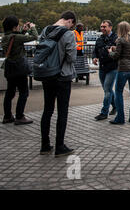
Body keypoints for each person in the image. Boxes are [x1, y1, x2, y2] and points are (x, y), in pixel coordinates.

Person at [40, 11, 77, 157]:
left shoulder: (45, 31)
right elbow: (71, 57)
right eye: (72, 25)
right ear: (70, 21)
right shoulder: (68, 34)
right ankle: (60, 146)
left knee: (47, 110)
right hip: (63, 76)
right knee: (62, 111)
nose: (72, 27)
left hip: (47, 75)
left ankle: (44, 145)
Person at [1, 16, 38, 125]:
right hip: (19, 68)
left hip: (9, 68)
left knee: (9, 93)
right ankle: (20, 116)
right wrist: (32, 27)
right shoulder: (16, 37)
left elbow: (15, 38)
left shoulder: (5, 37)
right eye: (17, 26)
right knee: (23, 92)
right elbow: (34, 36)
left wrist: (23, 31)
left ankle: (7, 116)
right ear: (14, 27)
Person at [108, 21, 130, 124]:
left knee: (118, 93)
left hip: (123, 69)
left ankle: (120, 118)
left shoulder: (120, 40)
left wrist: (110, 52)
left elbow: (116, 56)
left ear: (120, 29)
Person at [93, 20, 118, 120]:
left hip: (112, 68)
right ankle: (115, 106)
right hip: (102, 68)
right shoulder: (99, 39)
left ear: (110, 27)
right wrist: (94, 58)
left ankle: (104, 112)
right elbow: (95, 51)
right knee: (107, 89)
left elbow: (118, 53)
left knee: (107, 90)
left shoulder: (116, 39)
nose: (102, 28)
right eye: (101, 27)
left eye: (104, 27)